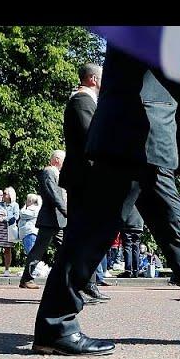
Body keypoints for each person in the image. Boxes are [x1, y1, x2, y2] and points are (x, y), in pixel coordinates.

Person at [31, 45, 180, 356]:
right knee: (92, 232)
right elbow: (164, 54)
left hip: (146, 141)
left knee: (176, 235)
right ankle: (55, 324)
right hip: (131, 138)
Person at [59, 63, 111, 301]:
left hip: (84, 176)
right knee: (80, 233)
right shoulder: (82, 100)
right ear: (92, 79)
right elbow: (91, 139)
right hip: (83, 177)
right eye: (102, 78)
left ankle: (84, 283)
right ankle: (73, 286)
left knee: (85, 232)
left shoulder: (85, 101)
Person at [19, 150, 67, 289]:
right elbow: (53, 193)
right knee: (39, 250)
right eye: (64, 160)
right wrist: (65, 210)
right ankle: (27, 278)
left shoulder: (57, 173)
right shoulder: (49, 172)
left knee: (66, 249)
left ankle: (63, 278)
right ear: (57, 159)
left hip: (58, 220)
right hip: (50, 219)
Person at [0, 188, 20, 276]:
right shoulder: (0, 204)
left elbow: (16, 217)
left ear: (10, 195)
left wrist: (4, 218)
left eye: (5, 193)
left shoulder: (15, 205)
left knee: (7, 250)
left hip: (8, 230)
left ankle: (6, 270)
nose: (3, 195)